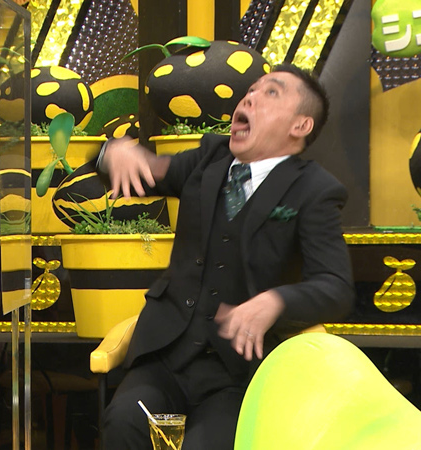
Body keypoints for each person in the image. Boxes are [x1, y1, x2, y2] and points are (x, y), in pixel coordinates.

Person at [98, 64, 355, 449]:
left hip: (236, 373)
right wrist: (114, 153)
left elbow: (336, 287)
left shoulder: (315, 190)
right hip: (166, 355)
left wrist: (275, 301)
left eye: (271, 92)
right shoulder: (210, 157)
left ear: (300, 126)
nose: (249, 97)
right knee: (124, 423)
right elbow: (146, 170)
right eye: (251, 90)